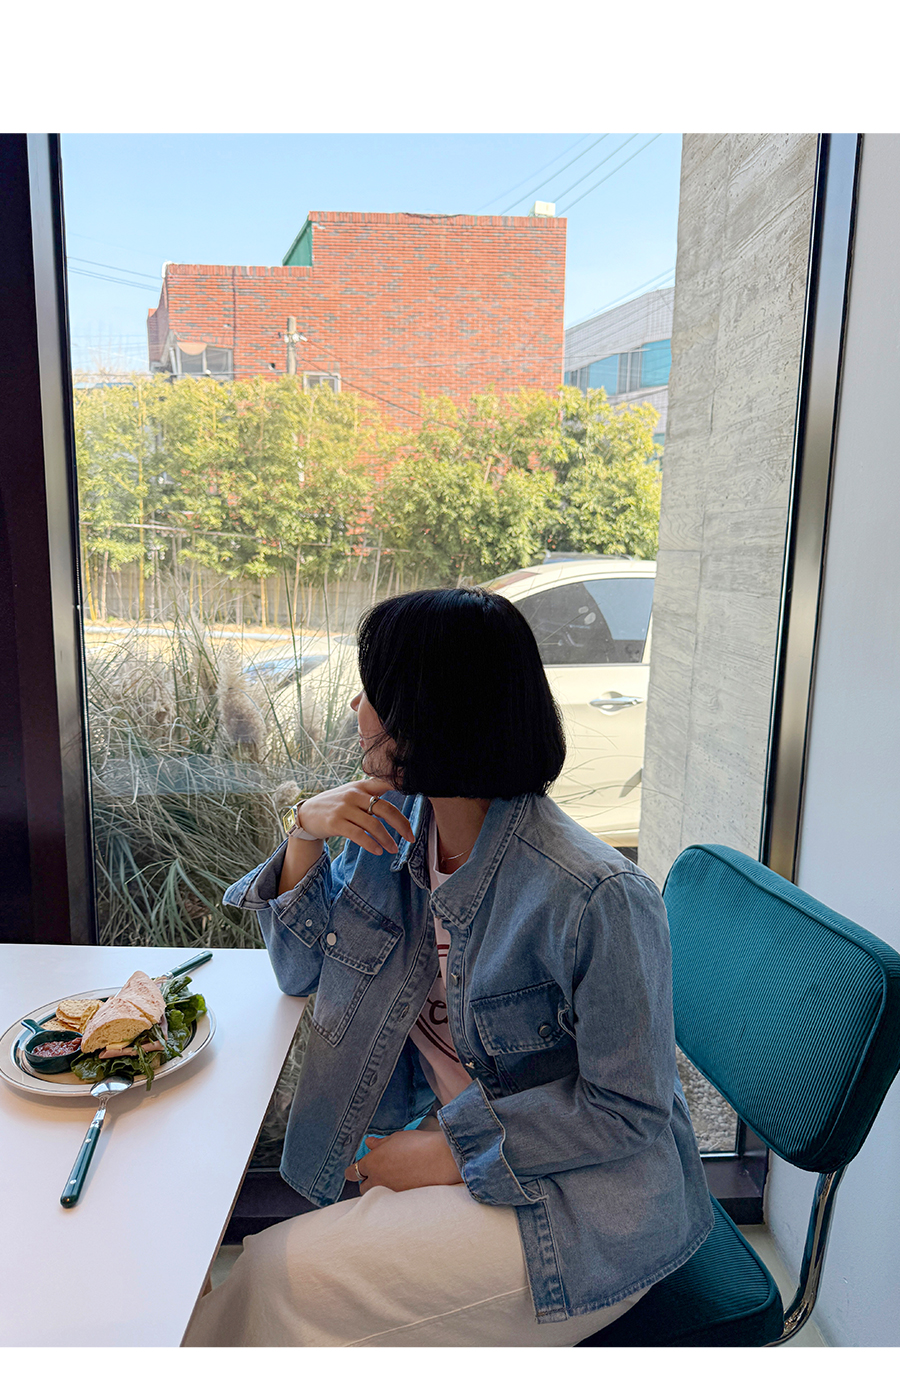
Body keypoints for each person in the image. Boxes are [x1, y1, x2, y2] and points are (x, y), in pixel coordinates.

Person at [184, 586, 713, 1347]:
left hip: (586, 1211)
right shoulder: (397, 834)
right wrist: (304, 833)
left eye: (374, 692)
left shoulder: (596, 897)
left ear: (428, 715)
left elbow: (628, 1112)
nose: (357, 708)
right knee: (242, 1278)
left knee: (276, 1277)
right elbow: (298, 974)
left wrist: (447, 1153)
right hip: (464, 1148)